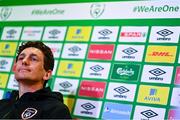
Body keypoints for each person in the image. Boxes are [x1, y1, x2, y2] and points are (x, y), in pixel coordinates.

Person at [0, 41, 72, 119]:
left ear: (47, 74)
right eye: (21, 58)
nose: (24, 61)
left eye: (33, 59)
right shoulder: (2, 104)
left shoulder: (56, 109)